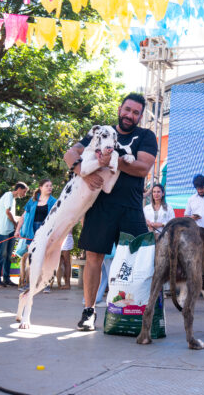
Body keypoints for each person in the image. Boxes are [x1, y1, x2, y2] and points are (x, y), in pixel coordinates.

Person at [63, 93, 157, 331]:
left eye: (136, 112)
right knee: (93, 259)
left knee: (136, 262)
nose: (130, 115)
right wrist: (82, 170)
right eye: (127, 109)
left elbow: (143, 168)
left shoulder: (146, 136)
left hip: (131, 208)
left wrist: (110, 158)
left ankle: (135, 312)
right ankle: (88, 311)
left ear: (141, 116)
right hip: (100, 205)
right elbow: (70, 153)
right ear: (119, 108)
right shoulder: (101, 132)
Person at [0, 182, 28, 287]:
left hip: (10, 230)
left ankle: (6, 278)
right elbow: (8, 212)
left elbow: (10, 214)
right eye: (24, 192)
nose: (24, 194)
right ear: (19, 189)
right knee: (1, 255)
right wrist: (16, 224)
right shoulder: (8, 195)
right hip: (3, 230)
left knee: (8, 256)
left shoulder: (13, 199)